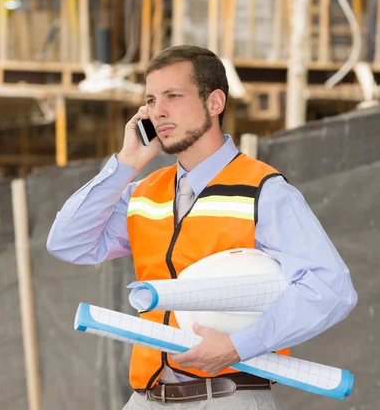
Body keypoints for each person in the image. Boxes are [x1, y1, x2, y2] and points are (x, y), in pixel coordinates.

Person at [47, 45, 357, 410]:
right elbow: (67, 242)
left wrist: (237, 347)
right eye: (150, 100)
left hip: (228, 397)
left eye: (173, 96)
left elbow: (331, 287)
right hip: (147, 398)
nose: (157, 111)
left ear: (215, 103)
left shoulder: (264, 191)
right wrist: (128, 162)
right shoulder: (144, 193)